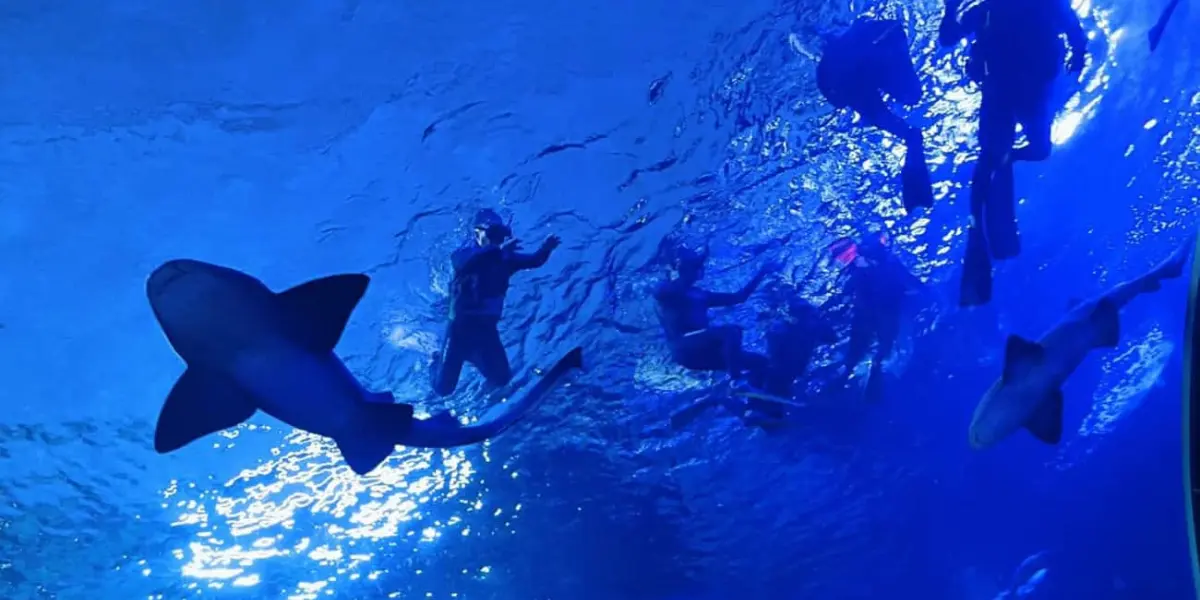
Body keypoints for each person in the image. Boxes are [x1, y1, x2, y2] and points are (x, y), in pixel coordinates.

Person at [939, 0, 1088, 306]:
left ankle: (999, 167)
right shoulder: (1034, 6)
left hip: (1008, 91)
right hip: (1021, 91)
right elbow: (1076, 35)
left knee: (1024, 152)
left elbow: (948, 38)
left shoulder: (987, 10)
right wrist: (1077, 56)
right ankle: (998, 171)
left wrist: (950, 11)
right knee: (1033, 150)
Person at [430, 209, 561, 396]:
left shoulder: (504, 258)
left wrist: (546, 249)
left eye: (499, 235)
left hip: (486, 331)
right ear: (477, 234)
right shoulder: (463, 254)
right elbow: (468, 264)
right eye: (492, 234)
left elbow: (534, 261)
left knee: (502, 378)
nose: (496, 240)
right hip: (458, 331)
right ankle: (435, 361)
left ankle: (475, 361)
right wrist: (495, 251)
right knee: (443, 389)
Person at [817, 17, 933, 212]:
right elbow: (896, 31)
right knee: (910, 100)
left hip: (857, 74)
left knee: (908, 105)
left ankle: (912, 143)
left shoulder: (831, 64)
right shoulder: (859, 35)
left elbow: (837, 100)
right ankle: (913, 144)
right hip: (858, 73)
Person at [656, 246, 779, 428]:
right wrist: (678, 262)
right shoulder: (668, 291)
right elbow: (662, 292)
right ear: (682, 269)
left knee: (760, 363)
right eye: (694, 268)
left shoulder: (701, 295)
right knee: (731, 331)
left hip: (703, 352)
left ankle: (748, 410)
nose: (698, 273)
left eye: (698, 268)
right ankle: (736, 382)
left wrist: (762, 272)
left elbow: (739, 297)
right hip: (683, 346)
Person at [830, 233, 923, 400]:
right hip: (878, 311)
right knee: (876, 344)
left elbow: (902, 280)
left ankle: (855, 373)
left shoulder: (871, 261)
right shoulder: (875, 263)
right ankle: (863, 370)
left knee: (867, 345)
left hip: (874, 310)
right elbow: (910, 284)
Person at [763, 294, 838, 399]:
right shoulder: (813, 326)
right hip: (789, 364)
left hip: (787, 364)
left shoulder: (782, 329)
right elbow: (832, 338)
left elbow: (832, 338)